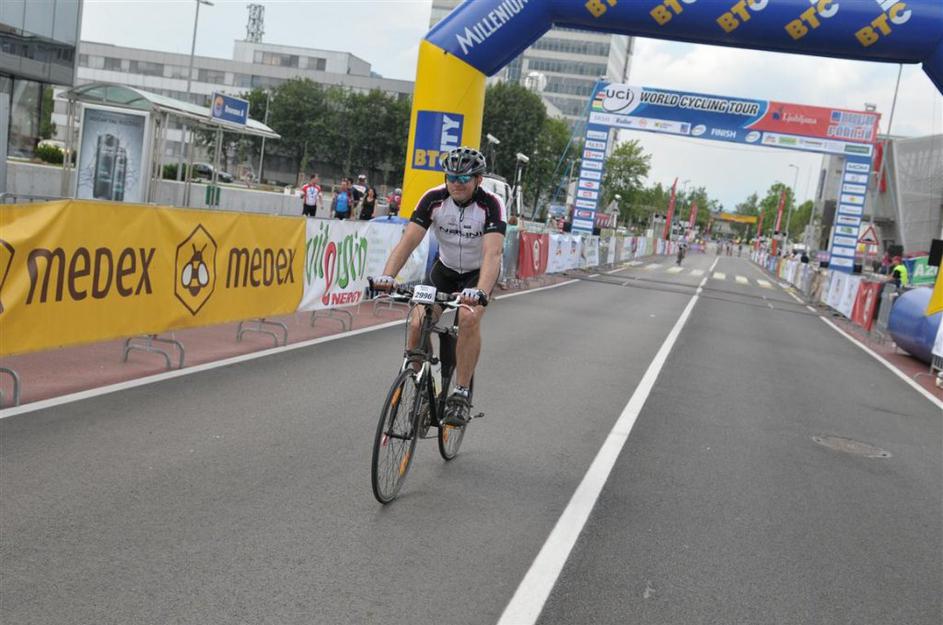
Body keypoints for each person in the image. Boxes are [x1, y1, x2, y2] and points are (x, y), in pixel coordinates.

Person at [373, 146, 506, 427]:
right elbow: (408, 242)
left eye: (464, 178)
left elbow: (492, 254)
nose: (456, 183)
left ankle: (461, 392)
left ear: (478, 180)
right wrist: (387, 276)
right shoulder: (433, 198)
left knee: (468, 318)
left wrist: (480, 292)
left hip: (477, 274)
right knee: (417, 322)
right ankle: (423, 383)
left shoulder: (491, 204)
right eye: (451, 177)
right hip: (444, 270)